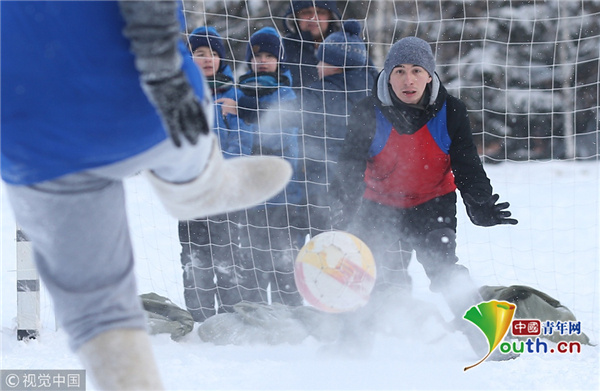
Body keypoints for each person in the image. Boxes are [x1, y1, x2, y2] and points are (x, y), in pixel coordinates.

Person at [1, 2, 292, 390]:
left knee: (97, 310)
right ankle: (201, 188)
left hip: (28, 135)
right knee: (188, 126)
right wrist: (162, 69)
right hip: (133, 94)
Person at [332, 36, 518, 357]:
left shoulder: (452, 111)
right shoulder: (367, 110)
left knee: (445, 269)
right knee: (367, 272)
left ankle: (490, 340)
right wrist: (342, 210)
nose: (408, 80)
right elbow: (350, 164)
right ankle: (351, 348)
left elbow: (467, 165)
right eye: (400, 71)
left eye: (417, 70)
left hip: (432, 202)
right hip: (379, 204)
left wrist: (480, 204)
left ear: (430, 75)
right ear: (387, 75)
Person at [219, 27, 304, 306]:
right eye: (258, 55)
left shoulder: (286, 94)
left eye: (270, 55)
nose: (263, 60)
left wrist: (244, 109)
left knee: (285, 258)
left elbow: (278, 136)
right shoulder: (237, 94)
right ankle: (256, 316)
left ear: (280, 60)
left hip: (283, 195)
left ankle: (291, 317)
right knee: (254, 260)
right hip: (251, 195)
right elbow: (235, 143)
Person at [179, 26, 256, 322]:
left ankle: (229, 314)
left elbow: (243, 142)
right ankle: (199, 316)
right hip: (191, 191)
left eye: (213, 53)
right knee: (194, 256)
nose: (207, 59)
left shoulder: (234, 95)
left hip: (225, 191)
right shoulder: (182, 95)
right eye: (200, 53)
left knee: (227, 255)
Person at [300, 19, 374, 237]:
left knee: (325, 236)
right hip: (365, 178)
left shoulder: (317, 92)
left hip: (325, 178)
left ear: (335, 65)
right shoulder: (375, 87)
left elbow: (293, 117)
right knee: (357, 233)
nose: (317, 66)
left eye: (321, 61)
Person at [281, 1, 342, 88]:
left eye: (321, 12)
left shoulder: (347, 49)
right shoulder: (281, 49)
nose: (313, 18)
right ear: (296, 16)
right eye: (306, 12)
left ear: (330, 16)